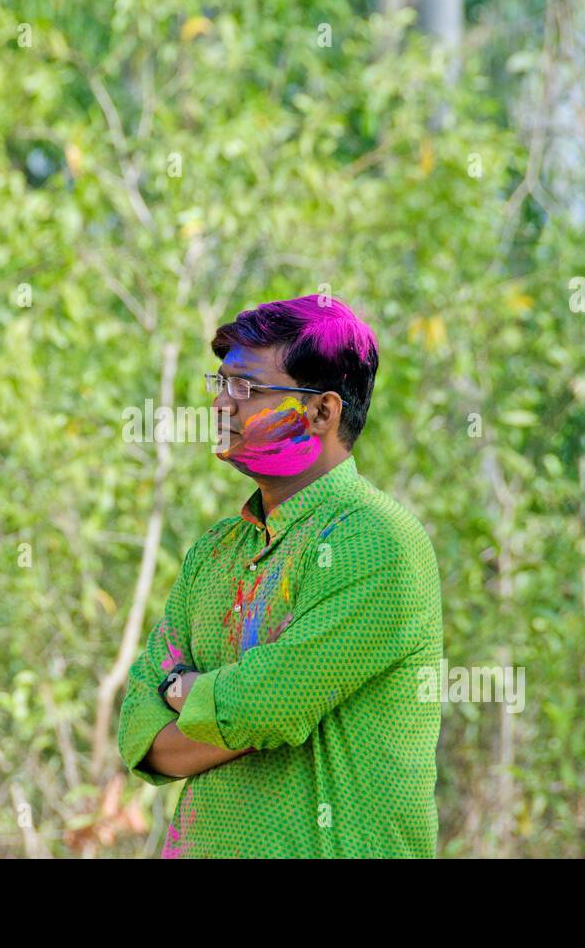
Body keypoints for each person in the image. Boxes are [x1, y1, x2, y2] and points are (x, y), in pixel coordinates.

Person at [116, 293, 444, 858]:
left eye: (245, 389)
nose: (222, 405)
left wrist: (198, 696)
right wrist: (223, 705)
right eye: (219, 384)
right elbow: (139, 736)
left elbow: (271, 707)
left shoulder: (380, 542)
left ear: (322, 412)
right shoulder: (215, 551)